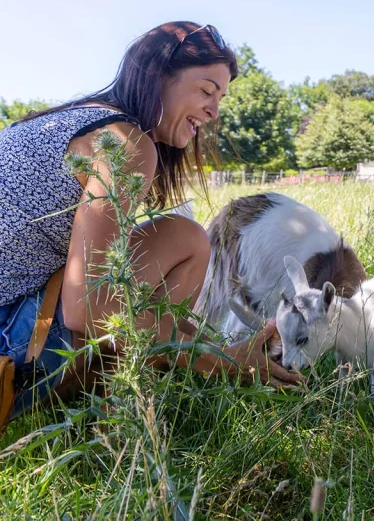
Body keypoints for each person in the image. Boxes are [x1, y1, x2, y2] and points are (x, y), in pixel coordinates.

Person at [0, 21, 302, 420]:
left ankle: (115, 390)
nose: (214, 111)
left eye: (221, 97)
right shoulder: (125, 143)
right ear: (157, 76)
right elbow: (85, 307)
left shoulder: (73, 121)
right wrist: (217, 358)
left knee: (171, 242)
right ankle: (115, 404)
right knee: (187, 242)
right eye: (207, 91)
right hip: (11, 346)